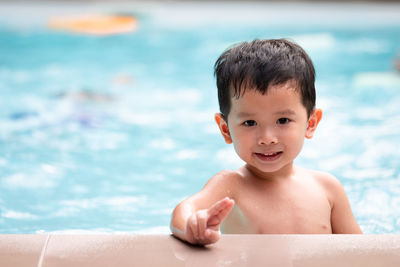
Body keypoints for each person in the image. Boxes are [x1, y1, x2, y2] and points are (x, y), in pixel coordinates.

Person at [170, 39, 362, 246]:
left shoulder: (328, 189)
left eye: (283, 121)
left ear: (310, 123)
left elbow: (364, 252)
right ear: (226, 130)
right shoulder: (231, 186)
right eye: (250, 122)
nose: (267, 138)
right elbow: (184, 210)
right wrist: (192, 225)